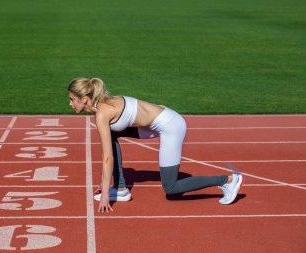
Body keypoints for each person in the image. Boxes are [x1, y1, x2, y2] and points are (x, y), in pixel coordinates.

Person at [68, 77, 243, 213]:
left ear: (84, 99)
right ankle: (121, 188)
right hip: (155, 123)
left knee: (171, 187)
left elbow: (108, 157)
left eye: (72, 99)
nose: (70, 104)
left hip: (171, 127)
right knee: (112, 133)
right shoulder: (104, 105)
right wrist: (103, 183)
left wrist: (105, 194)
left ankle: (228, 180)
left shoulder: (101, 114)